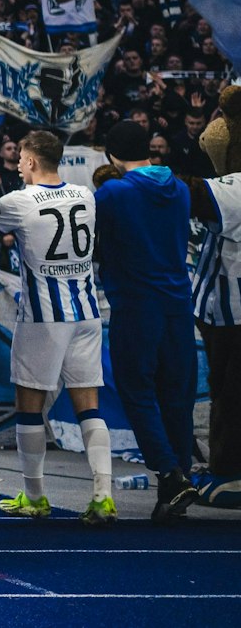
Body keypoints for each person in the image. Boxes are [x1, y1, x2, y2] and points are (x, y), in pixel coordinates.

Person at [0, 130, 115, 524]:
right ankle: (103, 497)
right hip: (87, 313)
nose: (20, 163)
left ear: (32, 161)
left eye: (22, 157)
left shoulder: (17, 202)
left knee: (29, 407)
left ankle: (35, 496)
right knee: (88, 406)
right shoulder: (85, 196)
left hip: (44, 316)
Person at [94, 120, 200, 521]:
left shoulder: (114, 193)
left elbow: (96, 240)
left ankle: (170, 475)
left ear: (111, 154)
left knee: (137, 391)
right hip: (177, 302)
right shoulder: (179, 189)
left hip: (137, 304)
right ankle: (176, 486)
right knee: (178, 395)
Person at [189, 168, 241, 507]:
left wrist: (142, 171)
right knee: (224, 388)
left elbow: (195, 196)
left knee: (233, 391)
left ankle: (231, 471)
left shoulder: (237, 186)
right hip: (222, 308)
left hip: (234, 310)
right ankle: (226, 465)